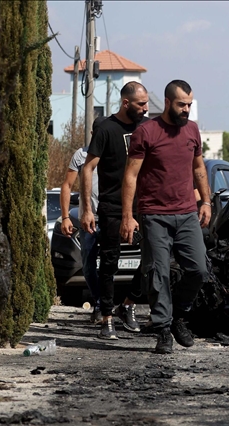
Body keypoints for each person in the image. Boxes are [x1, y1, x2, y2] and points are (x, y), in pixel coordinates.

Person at [121, 79, 211, 354]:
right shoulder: (146, 132)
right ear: (168, 102)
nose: (187, 110)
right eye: (182, 105)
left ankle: (178, 315)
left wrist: (206, 201)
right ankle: (162, 330)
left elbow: (199, 168)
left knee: (199, 269)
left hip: (187, 213)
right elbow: (130, 175)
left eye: (190, 105)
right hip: (154, 215)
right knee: (157, 273)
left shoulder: (192, 130)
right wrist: (128, 215)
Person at [80, 81, 149, 340]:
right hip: (112, 206)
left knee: (153, 259)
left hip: (143, 206)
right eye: (141, 104)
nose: (145, 108)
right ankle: (107, 317)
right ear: (126, 103)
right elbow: (88, 168)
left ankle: (128, 304)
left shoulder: (147, 127)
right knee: (109, 263)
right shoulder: (106, 128)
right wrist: (87, 210)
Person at [60, 116, 107, 323]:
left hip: (111, 217)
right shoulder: (81, 155)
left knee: (110, 264)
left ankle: (107, 306)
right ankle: (98, 301)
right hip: (88, 220)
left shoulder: (116, 153)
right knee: (88, 265)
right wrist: (65, 217)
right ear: (93, 134)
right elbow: (67, 185)